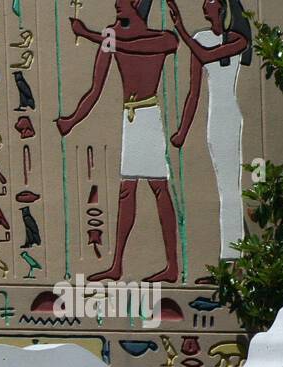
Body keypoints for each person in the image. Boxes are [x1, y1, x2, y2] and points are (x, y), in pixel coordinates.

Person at [56, 0, 181, 282]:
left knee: (159, 189)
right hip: (131, 118)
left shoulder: (161, 39)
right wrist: (72, 119)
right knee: (127, 191)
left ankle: (172, 266)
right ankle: (117, 266)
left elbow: (138, 46)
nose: (116, 4)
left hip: (148, 117)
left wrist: (90, 35)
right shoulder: (112, 37)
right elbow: (95, 89)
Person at [167, 0, 252, 261]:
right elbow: (194, 93)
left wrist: (180, 27)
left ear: (223, 9)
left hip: (230, 117)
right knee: (222, 187)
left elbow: (206, 55)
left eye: (210, 3)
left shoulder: (237, 39)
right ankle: (229, 254)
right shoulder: (201, 38)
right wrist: (182, 130)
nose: (204, 6)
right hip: (214, 120)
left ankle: (232, 256)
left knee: (230, 187)